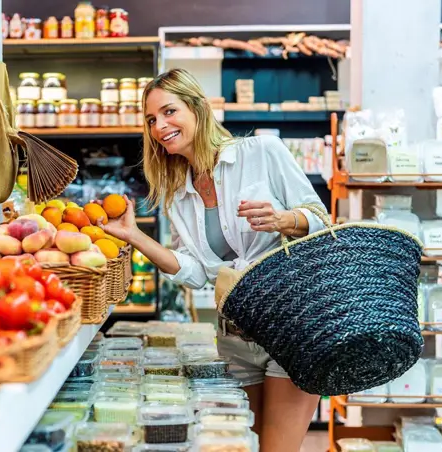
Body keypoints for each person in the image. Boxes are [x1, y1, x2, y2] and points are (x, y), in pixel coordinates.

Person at [100, 68, 327, 452]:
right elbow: (196, 271)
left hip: (290, 326)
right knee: (239, 445)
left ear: (199, 108)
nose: (160, 126)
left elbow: (322, 219)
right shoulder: (176, 193)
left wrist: (286, 219)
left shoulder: (262, 152)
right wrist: (134, 236)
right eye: (152, 120)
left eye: (170, 112)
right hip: (234, 336)